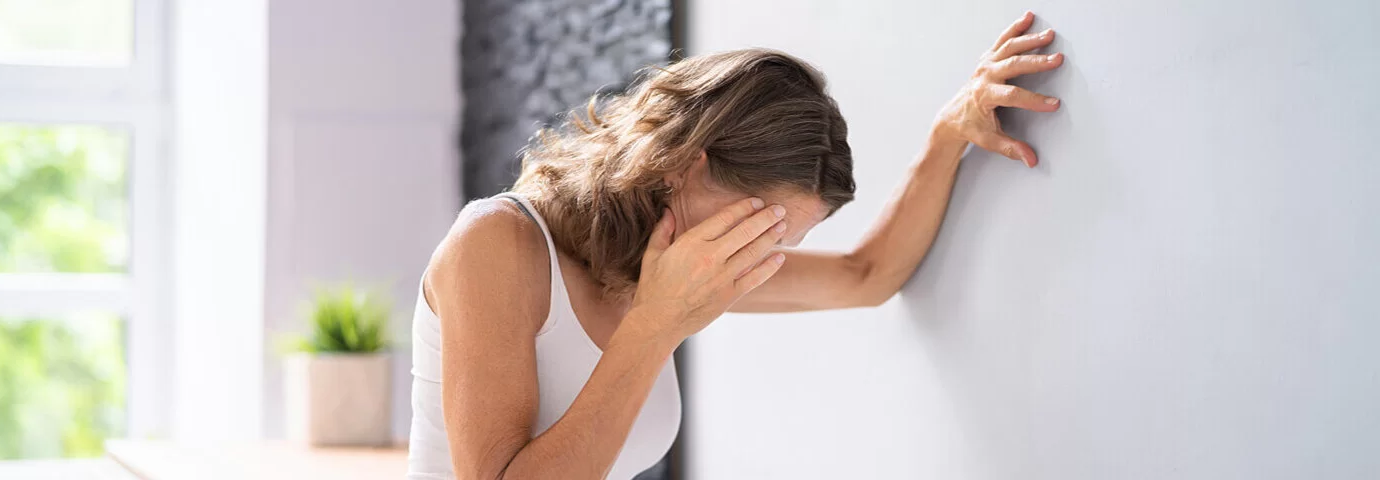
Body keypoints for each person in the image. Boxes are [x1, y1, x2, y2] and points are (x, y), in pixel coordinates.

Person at [409, 12, 1063, 480]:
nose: (759, 259)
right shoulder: (497, 246)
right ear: (680, 165)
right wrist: (656, 326)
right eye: (759, 226)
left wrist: (949, 133)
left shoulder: (672, 261)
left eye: (782, 241)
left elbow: (867, 275)